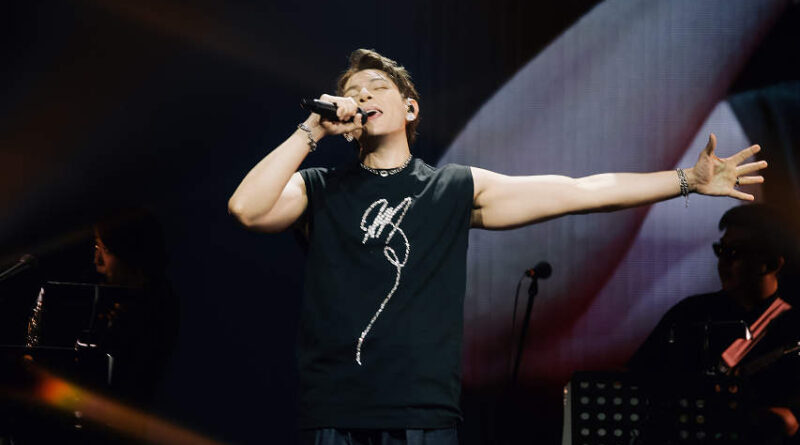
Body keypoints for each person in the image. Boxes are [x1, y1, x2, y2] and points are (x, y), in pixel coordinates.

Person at [228, 49, 766, 444]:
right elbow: (247, 209)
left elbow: (582, 192)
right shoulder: (319, 188)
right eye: (354, 91)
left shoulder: (453, 188)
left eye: (377, 86)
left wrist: (686, 181)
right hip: (333, 408)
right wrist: (312, 129)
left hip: (420, 412)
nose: (363, 95)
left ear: (410, 109)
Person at [628, 204, 800, 443]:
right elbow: (636, 380)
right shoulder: (688, 314)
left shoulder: (793, 327)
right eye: (721, 250)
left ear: (771, 264)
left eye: (735, 252)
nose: (723, 262)